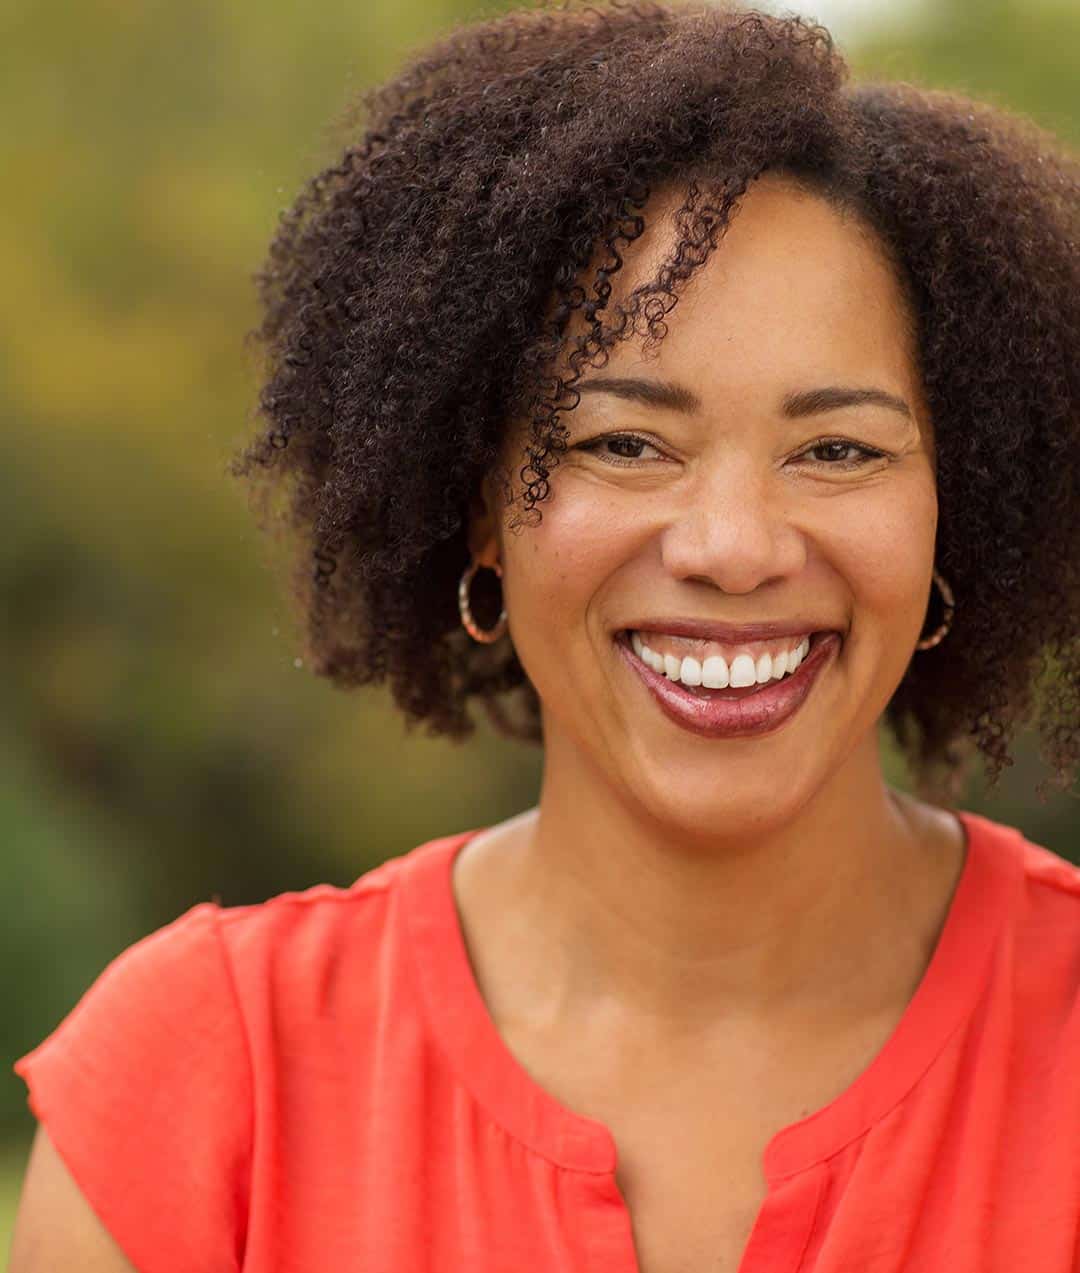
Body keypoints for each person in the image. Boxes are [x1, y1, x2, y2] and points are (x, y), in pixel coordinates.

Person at [10, 2, 1080, 1270]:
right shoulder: (211, 1076)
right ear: (475, 507)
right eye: (625, 442)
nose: (732, 545)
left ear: (958, 507)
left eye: (837, 449)